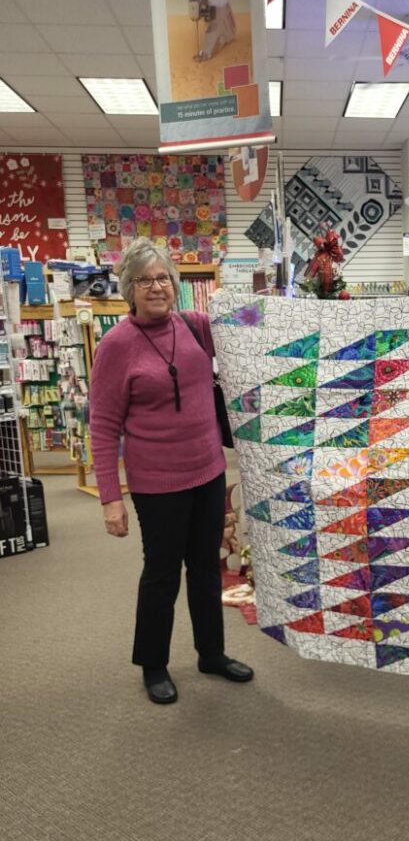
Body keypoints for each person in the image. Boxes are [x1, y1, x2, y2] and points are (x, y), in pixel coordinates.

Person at [89, 238, 254, 705]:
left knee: (206, 568)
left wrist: (296, 304)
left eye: (163, 277)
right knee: (161, 573)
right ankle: (153, 664)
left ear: (175, 283)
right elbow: (103, 426)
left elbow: (252, 325)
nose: (156, 287)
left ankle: (211, 654)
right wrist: (110, 499)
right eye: (144, 280)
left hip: (208, 473)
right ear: (129, 289)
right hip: (157, 483)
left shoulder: (195, 325)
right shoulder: (116, 346)